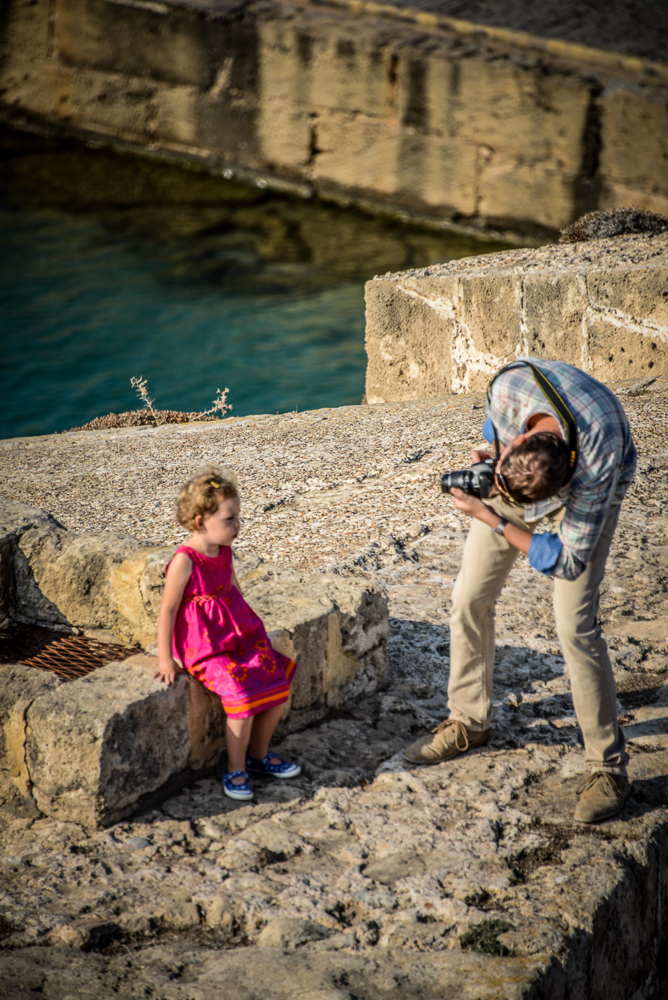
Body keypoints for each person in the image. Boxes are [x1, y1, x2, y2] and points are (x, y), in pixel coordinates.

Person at [403, 358, 637, 824]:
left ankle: (607, 768)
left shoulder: (595, 462)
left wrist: (491, 518)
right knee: (468, 600)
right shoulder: (511, 387)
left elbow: (566, 560)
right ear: (521, 438)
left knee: (575, 629)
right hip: (515, 475)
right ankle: (469, 721)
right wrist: (491, 463)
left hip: (586, 503)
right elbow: (493, 429)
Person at [155, 466, 301, 801]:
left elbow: (232, 590)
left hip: (237, 638)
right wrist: (167, 659)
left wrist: (249, 627)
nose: (237, 526)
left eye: (237, 518)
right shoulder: (185, 561)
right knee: (241, 695)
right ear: (200, 522)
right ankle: (236, 768)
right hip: (205, 647)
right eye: (229, 519)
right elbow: (168, 610)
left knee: (277, 679)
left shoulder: (224, 551)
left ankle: (259, 756)